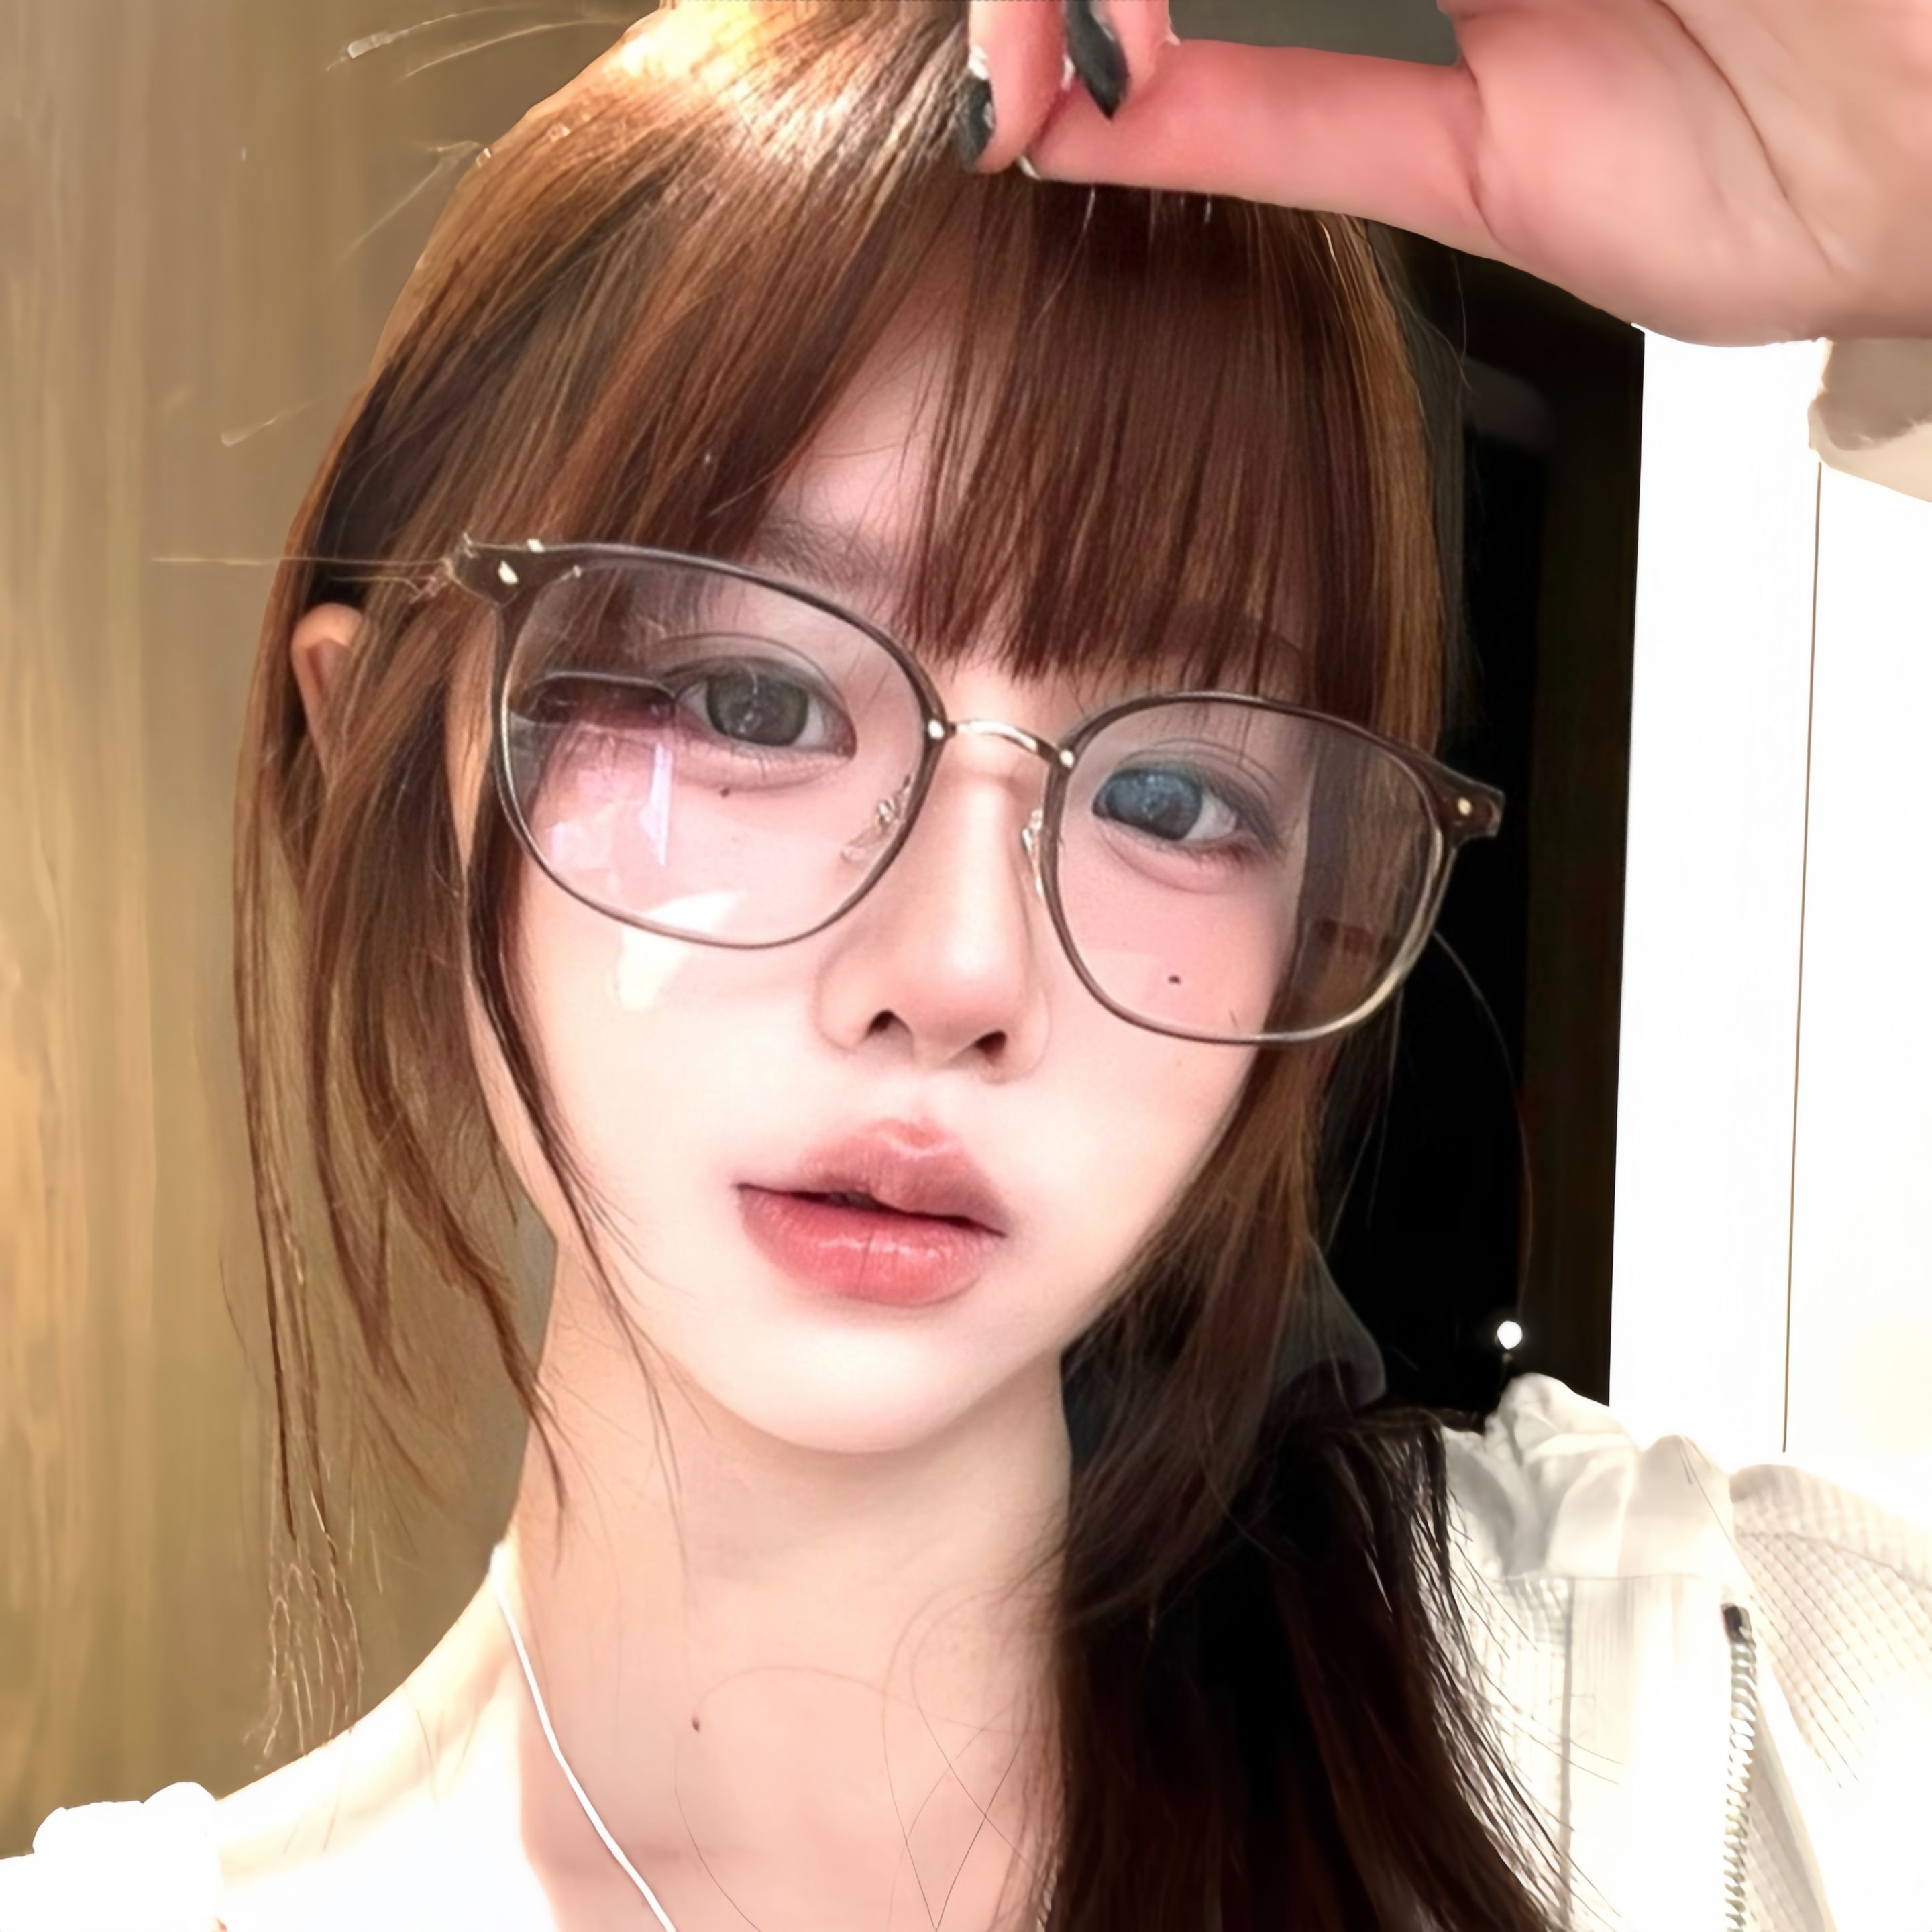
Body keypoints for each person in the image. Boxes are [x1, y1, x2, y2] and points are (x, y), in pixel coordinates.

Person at [3, 3, 1928, 1928]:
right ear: (385, 759)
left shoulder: (1703, 1728)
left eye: (1172, 797)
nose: (956, 968)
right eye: (752, 699)